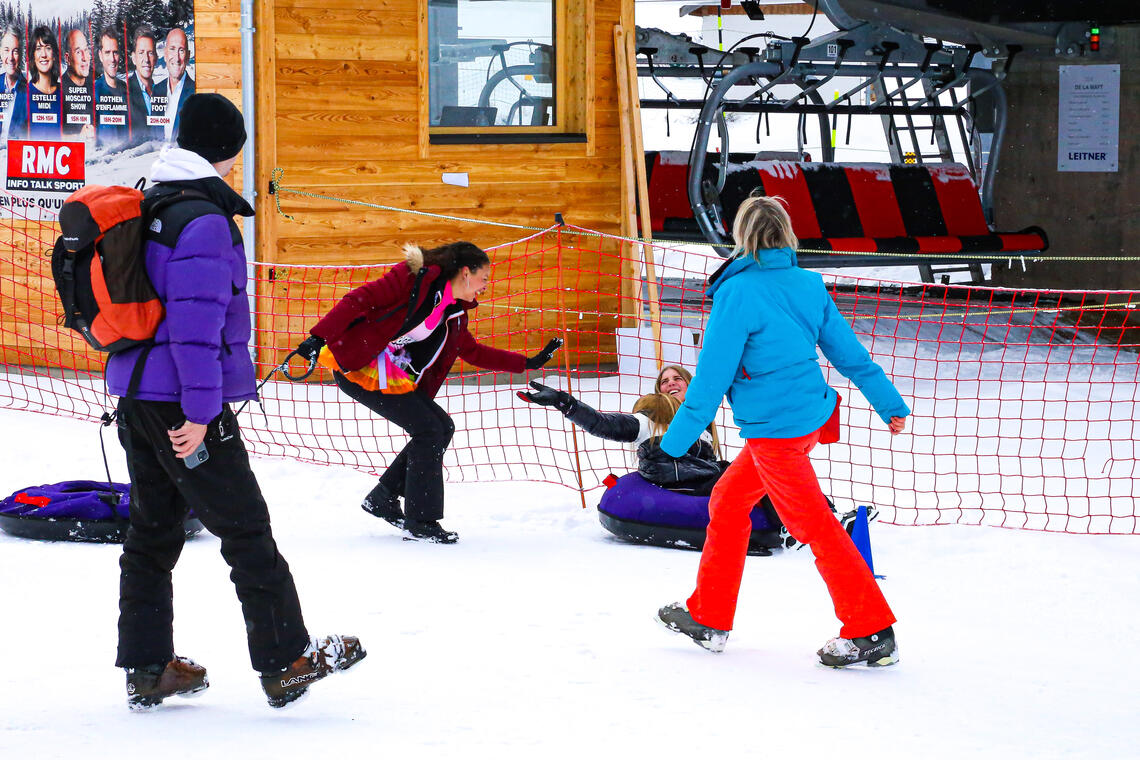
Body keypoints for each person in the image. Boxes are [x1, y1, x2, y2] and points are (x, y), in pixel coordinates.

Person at [108, 93, 365, 711]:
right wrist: (199, 415)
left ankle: (147, 668)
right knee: (245, 529)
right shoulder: (202, 220)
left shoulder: (152, 200)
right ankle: (286, 662)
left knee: (150, 533)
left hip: (139, 394)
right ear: (229, 150)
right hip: (181, 404)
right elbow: (195, 326)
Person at [654, 193, 910, 667]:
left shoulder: (738, 293)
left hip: (775, 433)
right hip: (806, 418)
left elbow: (711, 378)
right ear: (785, 233)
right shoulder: (808, 284)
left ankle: (871, 629)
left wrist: (673, 442)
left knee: (815, 526)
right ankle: (708, 616)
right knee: (728, 501)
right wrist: (888, 403)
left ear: (741, 237)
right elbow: (850, 355)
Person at [295, 245, 564, 544]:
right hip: (360, 366)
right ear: (465, 273)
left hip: (391, 372)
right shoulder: (413, 279)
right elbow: (360, 298)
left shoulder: (455, 312)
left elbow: (472, 351)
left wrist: (528, 363)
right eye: (484, 277)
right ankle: (421, 521)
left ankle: (383, 498)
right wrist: (318, 337)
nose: (487, 285)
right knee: (430, 430)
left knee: (440, 427)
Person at [519, 365, 727, 495]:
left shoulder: (704, 428)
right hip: (679, 489)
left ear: (690, 385)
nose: (670, 383)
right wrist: (563, 402)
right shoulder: (649, 421)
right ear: (659, 392)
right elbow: (602, 424)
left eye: (677, 378)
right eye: (664, 381)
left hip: (704, 485)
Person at [153, 26, 194, 140]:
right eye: (172, 49)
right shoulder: (157, 90)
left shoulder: (196, 93)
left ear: (188, 56)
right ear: (165, 54)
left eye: (181, 50)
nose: (176, 58)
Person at [22, 26, 60, 140]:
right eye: (38, 48)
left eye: (48, 48)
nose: (43, 54)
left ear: (54, 55)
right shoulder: (23, 96)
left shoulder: (65, 95)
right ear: (33, 56)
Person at [93, 28, 128, 147]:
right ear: (100, 55)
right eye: (107, 52)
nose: (112, 59)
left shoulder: (127, 90)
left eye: (115, 52)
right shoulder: (94, 92)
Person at [126, 24, 159, 143]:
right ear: (133, 58)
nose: (146, 59)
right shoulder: (123, 93)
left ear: (156, 57)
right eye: (141, 53)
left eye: (150, 53)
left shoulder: (162, 92)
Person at [60, 28, 95, 139]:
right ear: (68, 58)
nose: (85, 58)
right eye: (78, 52)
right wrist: (78, 137)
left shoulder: (96, 82)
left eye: (86, 50)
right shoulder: (58, 90)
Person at [0, 25, 26, 141]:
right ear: (1, 52)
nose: (10, 57)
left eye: (15, 51)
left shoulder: (30, 91)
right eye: (6, 50)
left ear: (20, 55)